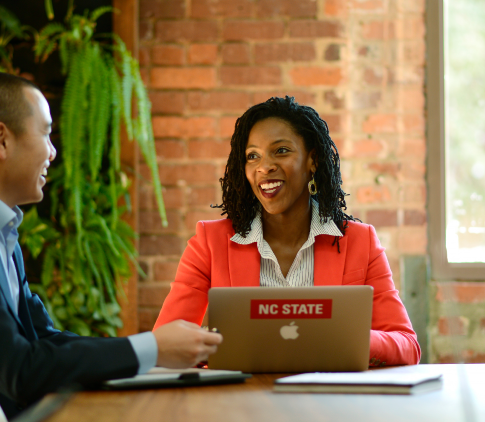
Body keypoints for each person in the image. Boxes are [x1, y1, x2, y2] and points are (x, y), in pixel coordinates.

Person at [0, 71, 222, 422]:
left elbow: (43, 338)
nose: (53, 152)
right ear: (1, 140)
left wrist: (151, 354)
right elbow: (20, 369)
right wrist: (153, 348)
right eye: (46, 134)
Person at [154, 96, 420, 367]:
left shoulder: (360, 242)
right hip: (239, 402)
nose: (264, 166)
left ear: (312, 160)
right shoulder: (209, 243)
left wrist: (346, 338)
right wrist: (221, 346)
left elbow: (407, 346)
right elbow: (164, 347)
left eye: (281, 151)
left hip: (329, 403)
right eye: (252, 156)